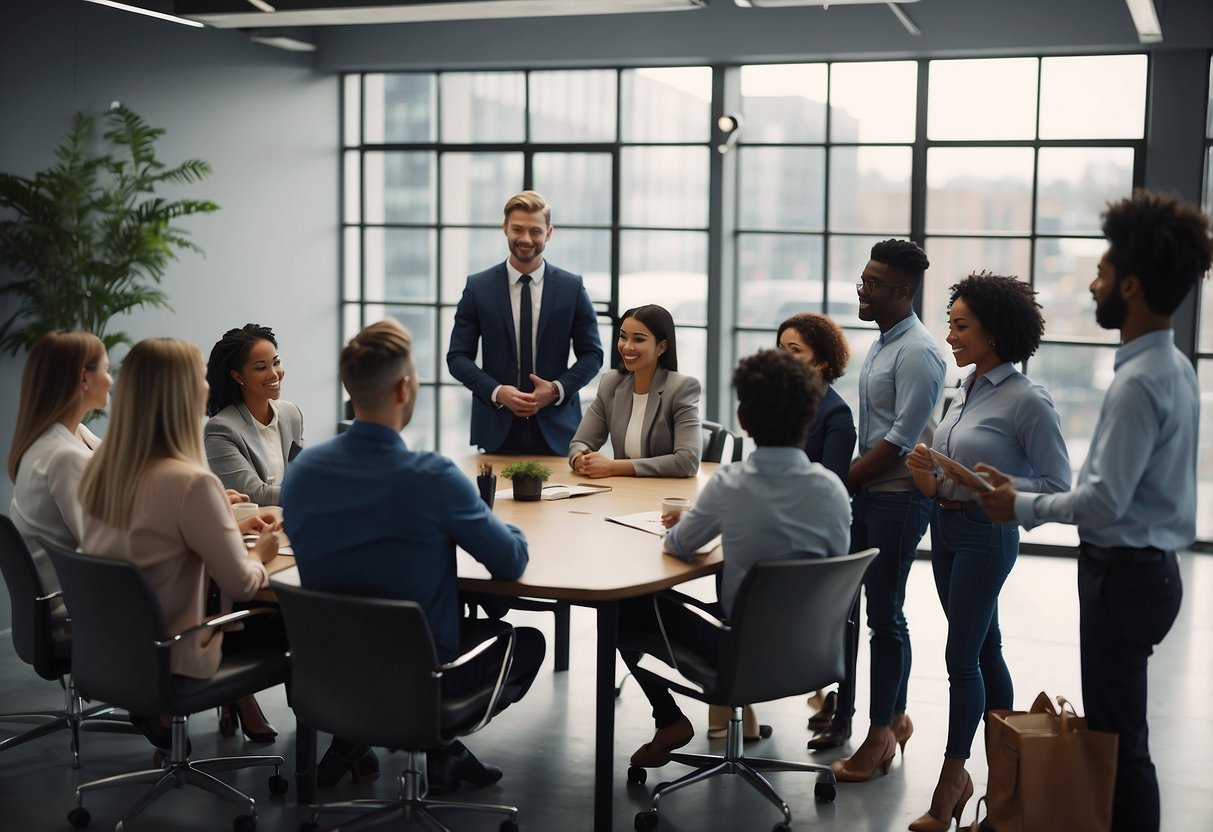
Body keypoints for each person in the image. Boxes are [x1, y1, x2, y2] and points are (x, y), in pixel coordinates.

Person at [979, 190, 1212, 832]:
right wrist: (1019, 493)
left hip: (1125, 577)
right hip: (1149, 572)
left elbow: (1105, 500)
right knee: (1122, 738)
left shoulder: (1139, 382)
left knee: (1120, 746)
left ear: (1130, 285)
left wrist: (1018, 503)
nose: (1092, 283)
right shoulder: (1172, 366)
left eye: (1103, 272)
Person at [282, 318, 546, 792]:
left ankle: (428, 751)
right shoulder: (432, 476)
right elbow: (510, 562)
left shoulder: (303, 472)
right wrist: (494, 520)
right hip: (423, 681)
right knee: (525, 642)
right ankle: (443, 746)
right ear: (405, 388)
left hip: (329, 672)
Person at [621, 349, 852, 769]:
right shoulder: (833, 489)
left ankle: (669, 719)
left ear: (744, 421)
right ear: (808, 417)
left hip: (740, 655)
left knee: (625, 606)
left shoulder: (731, 483)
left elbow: (678, 546)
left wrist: (701, 521)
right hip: (814, 651)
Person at [902, 273, 1071, 831]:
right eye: (950, 325)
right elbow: (944, 478)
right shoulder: (967, 387)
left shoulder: (1028, 400)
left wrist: (994, 488)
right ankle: (1006, 781)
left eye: (961, 326)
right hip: (946, 528)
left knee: (961, 657)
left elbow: (1057, 486)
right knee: (985, 648)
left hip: (986, 533)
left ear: (994, 331)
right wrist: (928, 470)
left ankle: (953, 779)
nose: (950, 336)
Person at [77, 338, 283, 751]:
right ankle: (332, 756)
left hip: (110, 648)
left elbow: (152, 535)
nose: (208, 387)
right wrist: (260, 553)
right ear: (183, 395)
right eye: (200, 380)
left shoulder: (104, 469)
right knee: (293, 625)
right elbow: (243, 584)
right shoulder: (190, 482)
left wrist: (218, 515)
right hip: (173, 652)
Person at [831, 239, 946, 783]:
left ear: (903, 292)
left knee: (884, 616)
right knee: (876, 612)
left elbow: (900, 442)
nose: (863, 290)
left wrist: (838, 482)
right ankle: (895, 718)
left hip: (898, 498)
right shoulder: (884, 343)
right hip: (871, 494)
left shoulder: (918, 352)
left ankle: (880, 734)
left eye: (874, 284)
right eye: (863, 280)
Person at [446, 190, 604, 456]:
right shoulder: (478, 288)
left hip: (558, 429)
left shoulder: (572, 288)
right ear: (505, 228)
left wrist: (555, 390)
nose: (526, 239)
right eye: (518, 229)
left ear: (549, 233)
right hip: (496, 429)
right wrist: (497, 392)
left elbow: (593, 355)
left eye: (535, 231)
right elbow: (457, 357)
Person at [775, 312, 857, 749]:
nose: (784, 358)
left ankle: (841, 712)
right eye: (781, 350)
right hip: (780, 525)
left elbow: (832, 489)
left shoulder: (836, 414)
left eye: (796, 351)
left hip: (815, 538)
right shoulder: (783, 402)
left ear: (823, 361)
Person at [8, 331, 111, 596]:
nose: (110, 380)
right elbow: (106, 547)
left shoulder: (72, 436)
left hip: (85, 598)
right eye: (106, 370)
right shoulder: (64, 458)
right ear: (84, 377)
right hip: (83, 607)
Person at [568, 304, 701, 478]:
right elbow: (580, 442)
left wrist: (613, 467)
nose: (627, 347)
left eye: (638, 340)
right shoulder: (611, 383)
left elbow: (686, 462)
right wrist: (581, 459)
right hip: (624, 490)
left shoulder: (682, 388)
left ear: (661, 347)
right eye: (623, 337)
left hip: (663, 491)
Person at [205, 324, 304, 506]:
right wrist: (315, 491)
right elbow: (254, 494)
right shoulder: (221, 429)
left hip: (290, 518)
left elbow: (301, 476)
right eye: (261, 368)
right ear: (238, 376)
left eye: (276, 362)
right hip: (252, 522)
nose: (274, 374)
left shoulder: (292, 414)